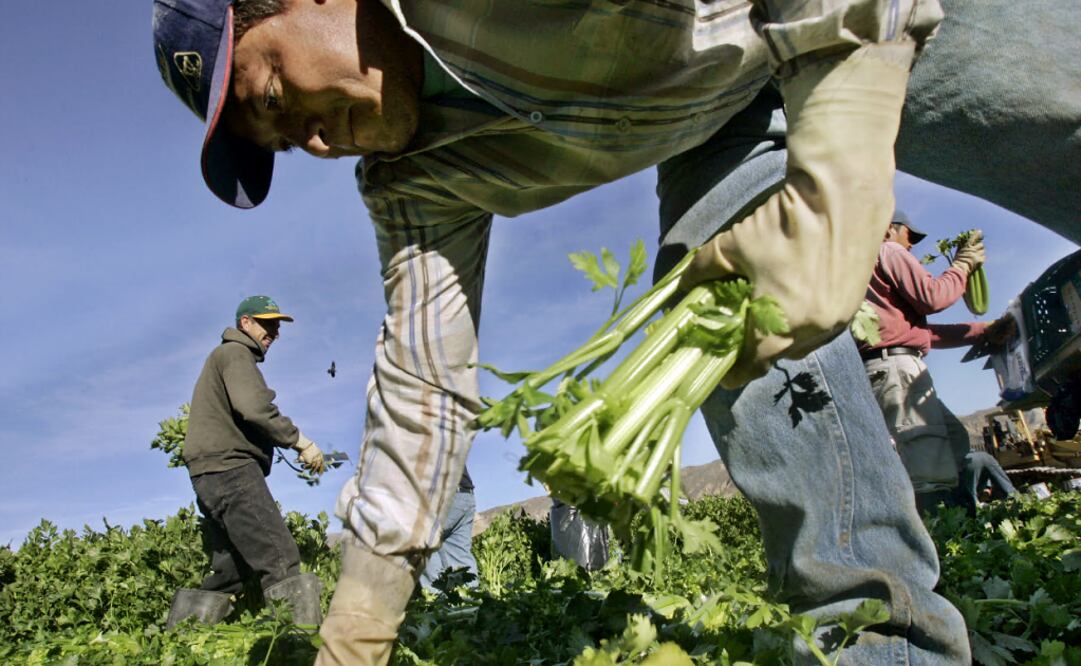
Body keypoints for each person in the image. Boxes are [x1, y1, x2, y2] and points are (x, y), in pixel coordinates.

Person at [151, 0, 1081, 662]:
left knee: (1048, 114)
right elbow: (421, 389)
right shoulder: (414, 179)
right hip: (713, 117)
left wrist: (839, 165)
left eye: (275, 91)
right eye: (283, 143)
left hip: (828, 11)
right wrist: (357, 631)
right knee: (724, 322)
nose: (312, 137)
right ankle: (886, 638)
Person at [165, 295, 327, 628]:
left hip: (209, 474)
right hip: (231, 470)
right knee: (280, 558)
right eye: (268, 324)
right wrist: (300, 442)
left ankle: (183, 642)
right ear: (246, 323)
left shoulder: (222, 358)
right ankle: (297, 646)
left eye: (277, 326)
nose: (274, 332)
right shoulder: (235, 353)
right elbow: (254, 407)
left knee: (229, 570)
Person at [857, 211, 989, 514]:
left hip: (886, 368)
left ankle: (960, 521)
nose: (911, 245)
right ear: (889, 229)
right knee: (928, 469)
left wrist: (983, 332)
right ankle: (942, 539)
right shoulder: (888, 250)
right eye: (910, 236)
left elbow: (918, 333)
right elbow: (932, 297)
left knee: (954, 441)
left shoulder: (865, 272)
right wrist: (963, 266)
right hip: (897, 372)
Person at [418, 467, 478, 590]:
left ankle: (436, 600)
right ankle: (471, 603)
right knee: (458, 557)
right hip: (464, 495)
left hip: (441, 498)